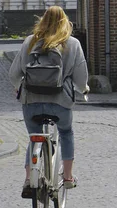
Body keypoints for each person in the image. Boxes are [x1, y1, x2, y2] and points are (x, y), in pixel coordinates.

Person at [9, 5, 89, 197]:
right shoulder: (72, 44)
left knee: (34, 137)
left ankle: (29, 179)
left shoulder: (29, 42)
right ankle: (68, 177)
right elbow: (80, 78)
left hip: (31, 102)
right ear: (65, 22)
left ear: (42, 21)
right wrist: (83, 89)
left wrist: (18, 87)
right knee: (66, 132)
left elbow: (13, 75)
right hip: (60, 103)